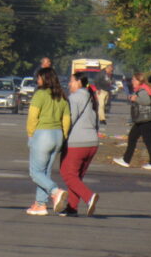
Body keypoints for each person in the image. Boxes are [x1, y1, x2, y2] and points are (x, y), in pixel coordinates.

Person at [26, 67, 71, 216]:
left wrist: (31, 135)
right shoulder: (62, 96)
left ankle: (55, 191)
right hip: (58, 134)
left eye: (38, 78)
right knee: (45, 172)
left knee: (35, 172)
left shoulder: (40, 94)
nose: (37, 81)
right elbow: (66, 120)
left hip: (43, 134)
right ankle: (40, 204)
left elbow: (33, 117)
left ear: (44, 79)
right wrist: (63, 137)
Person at [59, 73, 99, 216]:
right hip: (92, 142)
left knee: (67, 173)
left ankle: (88, 197)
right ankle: (72, 207)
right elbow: (97, 121)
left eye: (71, 81)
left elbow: (68, 121)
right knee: (76, 177)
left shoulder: (75, 98)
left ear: (78, 82)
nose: (69, 84)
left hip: (77, 142)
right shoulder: (92, 97)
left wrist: (60, 139)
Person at [114, 72, 151, 170]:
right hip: (142, 118)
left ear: (139, 80)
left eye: (134, 80)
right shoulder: (141, 89)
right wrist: (133, 98)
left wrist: (135, 99)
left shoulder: (143, 89)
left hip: (145, 118)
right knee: (132, 137)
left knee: (147, 140)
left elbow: (147, 101)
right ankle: (126, 160)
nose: (132, 81)